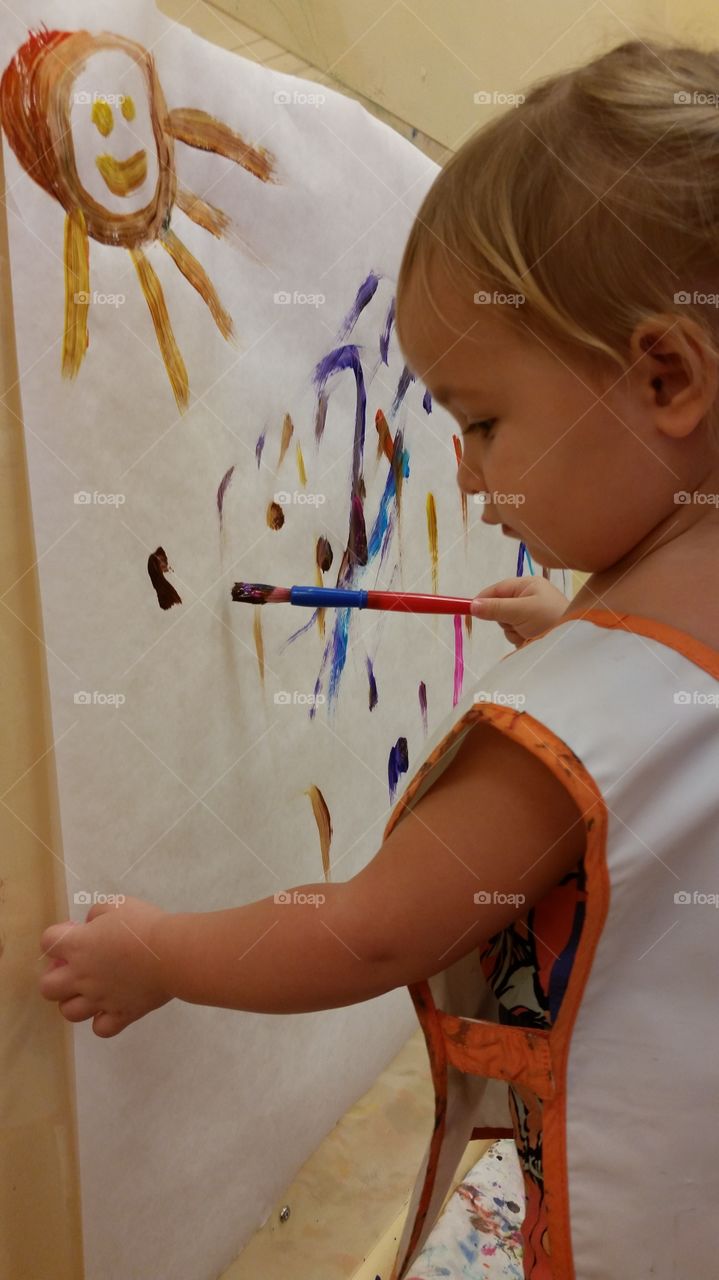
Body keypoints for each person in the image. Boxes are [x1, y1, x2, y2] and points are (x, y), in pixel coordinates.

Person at [39, 36, 719, 1279]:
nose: (462, 468)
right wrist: (582, 639)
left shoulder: (562, 739)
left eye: (480, 418)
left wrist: (157, 952)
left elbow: (366, 930)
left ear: (663, 372)